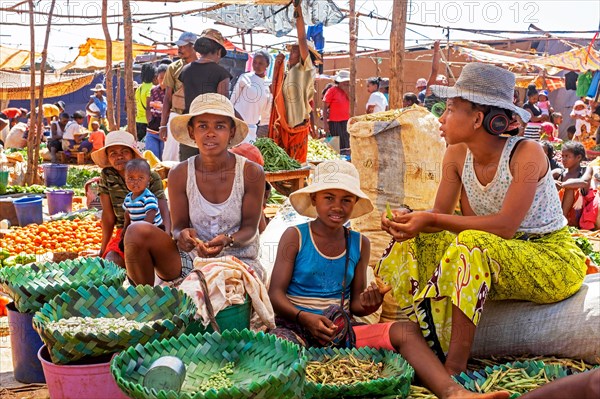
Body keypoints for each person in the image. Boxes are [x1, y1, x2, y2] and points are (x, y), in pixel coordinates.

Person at [377, 62, 587, 376]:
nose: (441, 118)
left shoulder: (527, 153)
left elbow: (505, 227)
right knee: (427, 236)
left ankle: (454, 367)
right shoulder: (456, 154)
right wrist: (410, 219)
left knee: (470, 243)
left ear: (477, 118)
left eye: (449, 109)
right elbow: (439, 215)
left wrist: (434, 220)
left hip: (549, 258)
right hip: (499, 256)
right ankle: (431, 338)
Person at [268, 159, 509, 399]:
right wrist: (305, 318)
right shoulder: (296, 237)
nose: (337, 207)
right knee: (279, 349)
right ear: (314, 199)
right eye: (328, 198)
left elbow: (355, 306)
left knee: (406, 331)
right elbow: (275, 294)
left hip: (340, 332)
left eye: (346, 200)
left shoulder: (358, 243)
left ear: (354, 203)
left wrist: (371, 303)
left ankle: (452, 392)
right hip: (296, 327)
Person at [123, 93, 266, 285]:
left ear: (231, 133)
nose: (210, 133)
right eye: (203, 126)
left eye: (220, 126)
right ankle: (145, 302)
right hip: (192, 262)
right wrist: (182, 236)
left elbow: (250, 229)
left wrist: (228, 239)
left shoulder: (251, 172)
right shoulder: (179, 174)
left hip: (238, 262)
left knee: (216, 293)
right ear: (192, 132)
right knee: (135, 231)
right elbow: (178, 227)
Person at [91, 130, 170, 268]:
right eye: (113, 153)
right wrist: (103, 249)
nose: (119, 157)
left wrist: (167, 238)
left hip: (152, 229)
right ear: (108, 158)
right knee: (111, 261)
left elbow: (163, 210)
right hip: (124, 231)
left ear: (133, 154)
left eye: (124, 152)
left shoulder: (151, 176)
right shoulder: (108, 175)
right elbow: (108, 216)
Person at [269, 0, 318, 163]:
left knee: (296, 168)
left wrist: (298, 13)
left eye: (296, 52)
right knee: (282, 168)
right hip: (283, 127)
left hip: (297, 128)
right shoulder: (288, 74)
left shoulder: (305, 70)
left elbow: (302, 38)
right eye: (291, 52)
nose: (291, 55)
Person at [178, 29, 232, 161]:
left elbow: (186, 99)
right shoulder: (221, 73)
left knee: (189, 169)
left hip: (190, 129)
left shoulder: (185, 70)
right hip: (212, 133)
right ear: (218, 52)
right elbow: (223, 105)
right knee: (212, 172)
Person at [159, 31, 198, 162]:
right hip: (176, 117)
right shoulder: (173, 68)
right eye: (179, 46)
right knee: (170, 157)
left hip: (196, 118)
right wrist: (163, 125)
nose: (179, 49)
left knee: (192, 159)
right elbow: (167, 98)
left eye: (183, 46)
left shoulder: (203, 66)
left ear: (193, 46)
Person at [118, 159, 164, 252]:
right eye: (131, 178)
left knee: (147, 248)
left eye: (140, 178)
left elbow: (150, 215)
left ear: (148, 180)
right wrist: (126, 227)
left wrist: (140, 233)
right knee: (123, 246)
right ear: (125, 179)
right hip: (137, 229)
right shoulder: (128, 197)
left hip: (153, 229)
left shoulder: (148, 197)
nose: (135, 182)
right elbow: (127, 213)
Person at [231, 49, 273, 144]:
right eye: (255, 62)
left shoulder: (269, 84)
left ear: (267, 65)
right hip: (236, 124)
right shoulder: (245, 77)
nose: (256, 66)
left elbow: (267, 110)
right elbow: (232, 101)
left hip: (252, 127)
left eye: (260, 63)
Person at [552, 141, 593, 227]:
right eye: (562, 156)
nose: (563, 159)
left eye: (567, 156)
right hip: (556, 211)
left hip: (578, 213)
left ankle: (561, 221)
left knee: (570, 187)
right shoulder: (558, 172)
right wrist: (552, 183)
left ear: (578, 157)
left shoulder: (586, 170)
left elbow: (584, 182)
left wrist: (563, 185)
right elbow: (541, 181)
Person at [323, 70, 351, 156]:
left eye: (347, 82)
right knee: (336, 146)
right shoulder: (332, 90)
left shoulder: (350, 91)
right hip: (334, 122)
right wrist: (325, 123)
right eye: (344, 82)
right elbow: (324, 107)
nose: (346, 84)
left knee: (347, 144)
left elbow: (354, 103)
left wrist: (347, 92)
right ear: (339, 82)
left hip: (346, 121)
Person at [146, 64, 168, 159]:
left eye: (165, 78)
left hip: (166, 129)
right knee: (152, 158)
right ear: (157, 77)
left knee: (164, 159)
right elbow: (148, 107)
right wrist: (149, 119)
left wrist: (163, 108)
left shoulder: (173, 91)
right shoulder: (153, 90)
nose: (163, 81)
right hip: (152, 128)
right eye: (161, 78)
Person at [423, 40, 449, 115]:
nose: (445, 79)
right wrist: (436, 51)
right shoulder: (431, 92)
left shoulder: (447, 96)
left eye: (445, 79)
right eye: (442, 78)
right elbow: (434, 70)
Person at [134, 64, 157, 142]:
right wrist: (150, 123)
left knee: (140, 147)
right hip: (147, 122)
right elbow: (148, 107)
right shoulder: (152, 88)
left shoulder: (139, 88)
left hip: (138, 121)